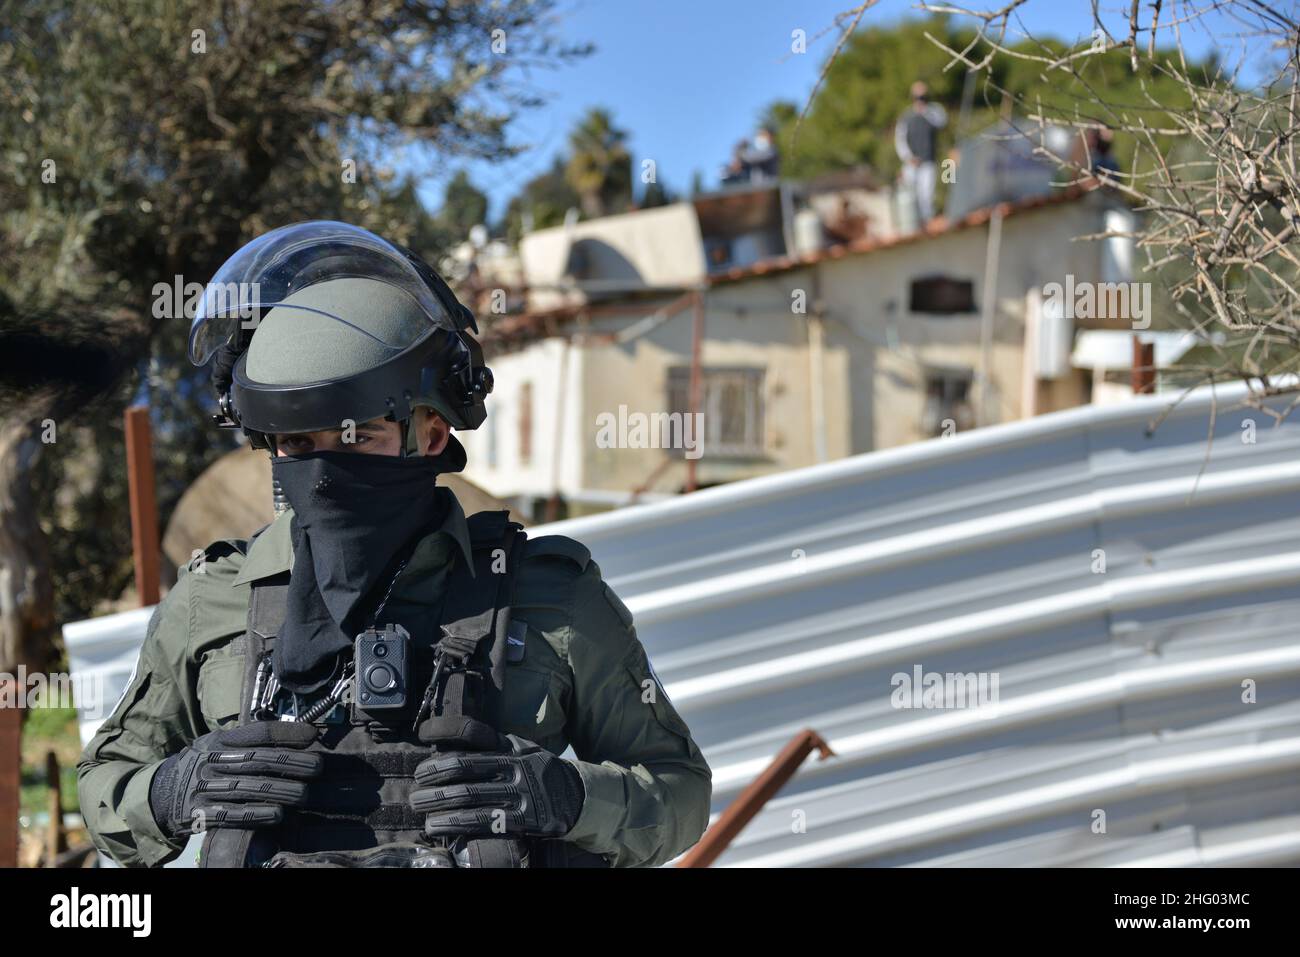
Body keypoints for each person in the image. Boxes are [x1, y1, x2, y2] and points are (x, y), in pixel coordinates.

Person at [77, 221, 712, 869]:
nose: (324, 472)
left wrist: (568, 794)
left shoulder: (549, 595)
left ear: (432, 433)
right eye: (299, 444)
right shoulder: (212, 599)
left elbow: (681, 791)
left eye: (357, 438)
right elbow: (104, 783)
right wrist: (173, 790)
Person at [895, 81, 948, 225]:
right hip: (911, 164)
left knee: (927, 196)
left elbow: (942, 122)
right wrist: (908, 158)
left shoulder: (934, 112)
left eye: (923, 97)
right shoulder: (906, 117)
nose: (920, 101)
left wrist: (926, 111)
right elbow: (900, 140)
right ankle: (914, 225)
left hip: (928, 161)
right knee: (911, 197)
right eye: (917, 98)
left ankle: (928, 223)